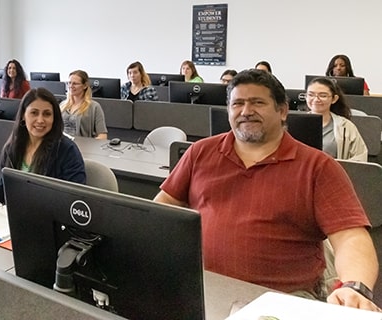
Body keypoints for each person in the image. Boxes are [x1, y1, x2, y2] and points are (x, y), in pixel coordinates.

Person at [153, 69, 379, 311]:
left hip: (283, 297)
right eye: (237, 103)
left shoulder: (318, 166)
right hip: (204, 285)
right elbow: (162, 208)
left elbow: (351, 238)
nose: (246, 111)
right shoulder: (200, 152)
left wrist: (355, 287)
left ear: (282, 111)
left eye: (257, 102)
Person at [0, 87, 86, 204]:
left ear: (54, 118)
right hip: (16, 215)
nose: (40, 120)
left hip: (49, 218)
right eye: (34, 113)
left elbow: (76, 199)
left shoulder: (67, 150)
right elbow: (2, 188)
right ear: (23, 115)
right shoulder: (14, 147)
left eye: (47, 114)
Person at [306, 77, 368, 161]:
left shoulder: (346, 126)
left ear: (334, 99)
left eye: (323, 95)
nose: (316, 99)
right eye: (311, 95)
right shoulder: (296, 123)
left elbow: (360, 157)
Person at [59, 70, 108, 139]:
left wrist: (91, 145)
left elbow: (102, 135)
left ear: (85, 86)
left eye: (75, 83)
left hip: (82, 146)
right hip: (62, 145)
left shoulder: (94, 107)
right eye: (69, 83)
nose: (71, 86)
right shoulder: (62, 105)